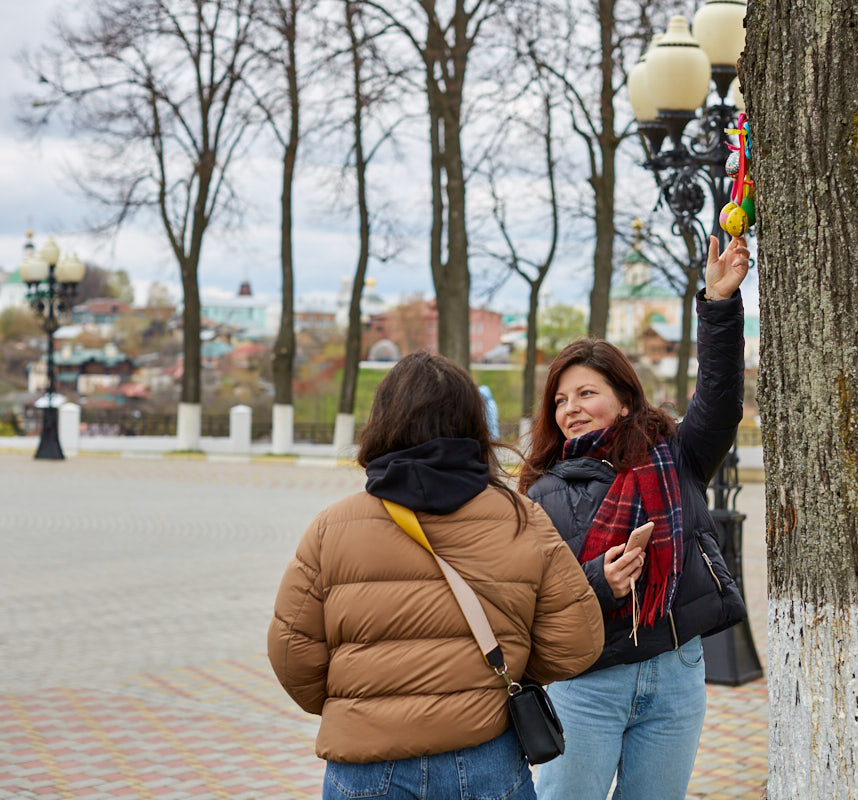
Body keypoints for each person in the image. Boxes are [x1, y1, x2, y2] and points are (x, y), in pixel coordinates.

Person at [268, 352, 605, 800]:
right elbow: (577, 640)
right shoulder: (522, 519)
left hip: (366, 762)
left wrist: (358, 702)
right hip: (485, 754)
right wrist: (504, 677)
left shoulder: (333, 526)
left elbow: (291, 653)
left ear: (382, 422)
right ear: (473, 425)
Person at [518, 235, 752, 800]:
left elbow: (720, 400)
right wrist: (600, 581)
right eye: (560, 400)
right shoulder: (540, 492)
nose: (570, 408)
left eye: (586, 393)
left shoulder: (677, 457)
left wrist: (719, 304)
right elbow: (531, 598)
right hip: (587, 681)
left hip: (676, 671)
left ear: (624, 400)